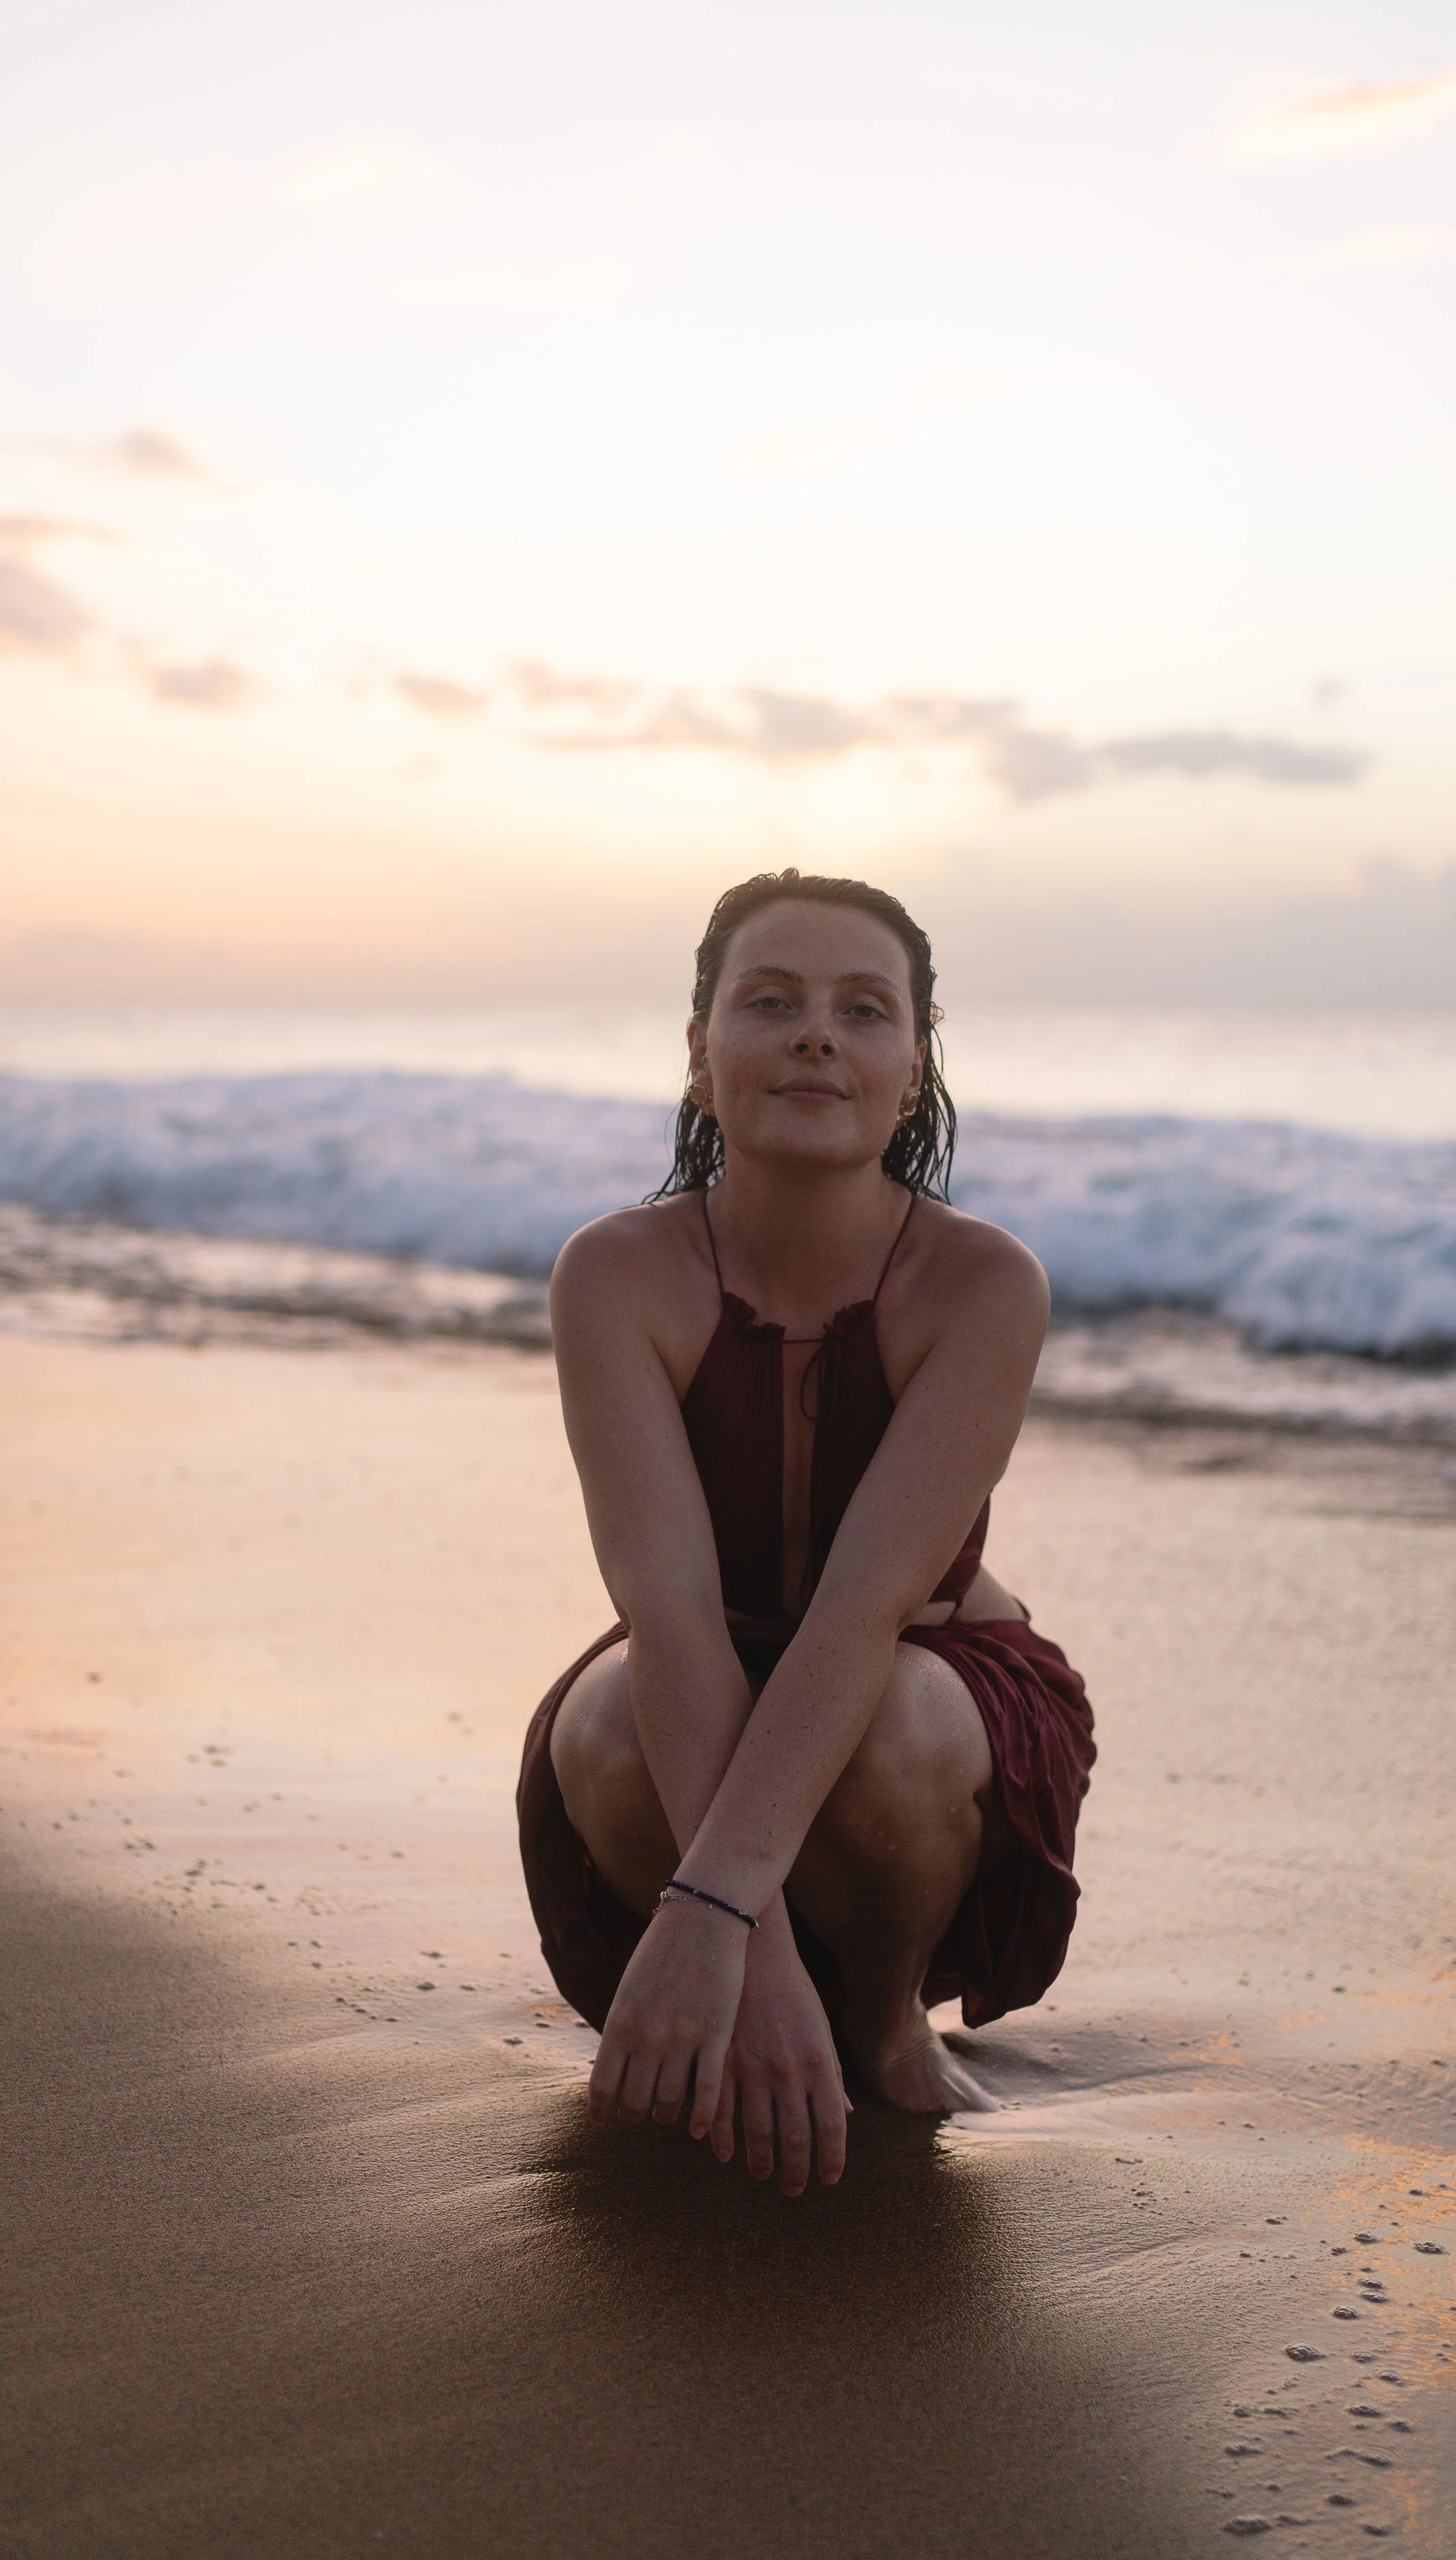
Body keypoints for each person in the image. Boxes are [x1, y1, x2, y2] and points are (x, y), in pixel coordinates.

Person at [517, 869, 1095, 2197]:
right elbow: (666, 1608)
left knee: (885, 1716)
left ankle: (883, 2014)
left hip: (931, 1682)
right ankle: (750, 1999)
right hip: (694, 1673)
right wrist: (747, 1938)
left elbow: (859, 1608)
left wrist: (716, 1906)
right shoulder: (613, 1271)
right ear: (702, 1052)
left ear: (911, 1065)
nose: (815, 1034)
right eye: (768, 1000)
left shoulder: (981, 1281)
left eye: (862, 1008)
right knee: (600, 1725)